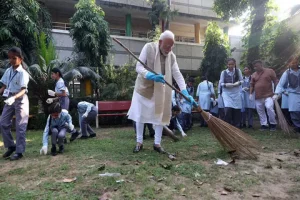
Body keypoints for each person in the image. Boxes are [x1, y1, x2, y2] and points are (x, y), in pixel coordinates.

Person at [127, 30, 196, 153]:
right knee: (140, 116)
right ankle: (139, 142)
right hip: (143, 88)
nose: (169, 49)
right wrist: (150, 75)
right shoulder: (148, 48)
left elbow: (177, 74)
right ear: (160, 42)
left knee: (160, 116)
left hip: (159, 91)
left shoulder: (171, 56)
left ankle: (157, 144)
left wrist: (185, 92)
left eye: (171, 46)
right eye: (167, 46)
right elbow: (138, 67)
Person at [0, 47, 29, 161]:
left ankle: (19, 151)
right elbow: (4, 86)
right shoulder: (8, 71)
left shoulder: (23, 73)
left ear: (21, 59)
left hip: (20, 99)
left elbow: (23, 90)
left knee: (20, 126)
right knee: (3, 122)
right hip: (9, 99)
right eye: (10, 58)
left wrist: (14, 97)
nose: (11, 60)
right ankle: (11, 146)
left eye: (14, 58)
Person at [250, 60, 278, 131]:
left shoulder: (270, 71)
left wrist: (276, 92)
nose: (256, 68)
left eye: (257, 66)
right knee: (260, 110)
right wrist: (250, 93)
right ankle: (264, 124)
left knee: (269, 108)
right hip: (258, 96)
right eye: (255, 66)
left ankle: (273, 124)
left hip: (269, 95)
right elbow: (251, 85)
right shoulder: (253, 74)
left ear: (261, 64)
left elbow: (275, 81)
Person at [274, 56, 300, 132]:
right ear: (289, 63)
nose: (294, 64)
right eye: (292, 63)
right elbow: (281, 84)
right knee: (294, 110)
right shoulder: (287, 73)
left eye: (295, 62)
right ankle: (298, 126)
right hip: (293, 93)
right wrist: (277, 93)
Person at [219, 58, 243, 128]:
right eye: (229, 64)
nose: (230, 66)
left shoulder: (238, 71)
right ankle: (228, 125)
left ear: (234, 64)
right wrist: (226, 85)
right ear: (227, 65)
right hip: (227, 93)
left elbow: (242, 81)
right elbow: (221, 83)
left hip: (236, 93)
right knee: (228, 108)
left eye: (232, 64)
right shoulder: (223, 72)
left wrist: (237, 83)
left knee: (237, 109)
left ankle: (237, 125)